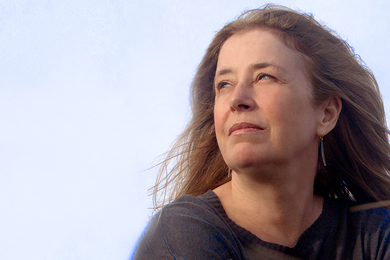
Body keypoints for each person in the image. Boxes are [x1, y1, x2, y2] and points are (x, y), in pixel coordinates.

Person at [133, 4, 390, 259]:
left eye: (264, 77)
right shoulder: (182, 232)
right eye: (224, 84)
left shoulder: (375, 232)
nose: (237, 99)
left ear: (327, 114)